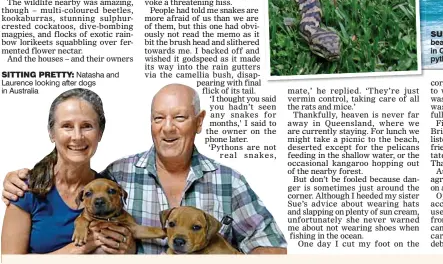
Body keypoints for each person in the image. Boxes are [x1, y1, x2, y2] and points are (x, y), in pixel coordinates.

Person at [3, 84, 287, 255]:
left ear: (199, 122)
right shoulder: (117, 176)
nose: (167, 128)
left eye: (179, 118)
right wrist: (14, 177)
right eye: (158, 118)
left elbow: (271, 245)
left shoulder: (230, 183)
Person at [1, 88, 130, 254]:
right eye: (67, 126)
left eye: (87, 126)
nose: (77, 136)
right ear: (51, 133)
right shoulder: (24, 189)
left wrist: (128, 247)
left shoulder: (108, 190)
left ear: (100, 133)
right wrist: (77, 249)